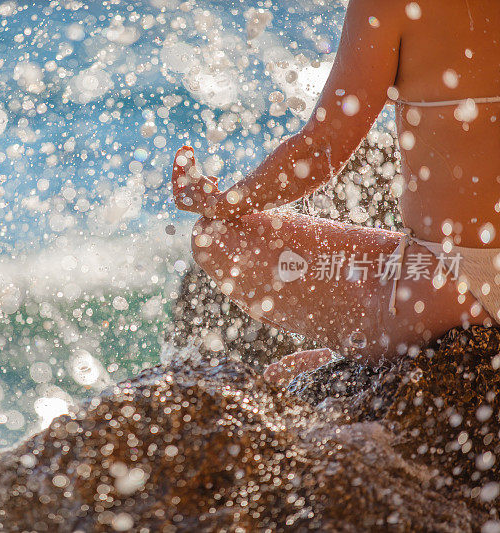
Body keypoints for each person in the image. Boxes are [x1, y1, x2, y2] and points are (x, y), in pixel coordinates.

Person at [172, 0, 500, 384]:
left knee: (220, 238)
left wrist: (225, 202)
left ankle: (367, 347)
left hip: (446, 289)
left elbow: (321, 150)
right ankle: (355, 348)